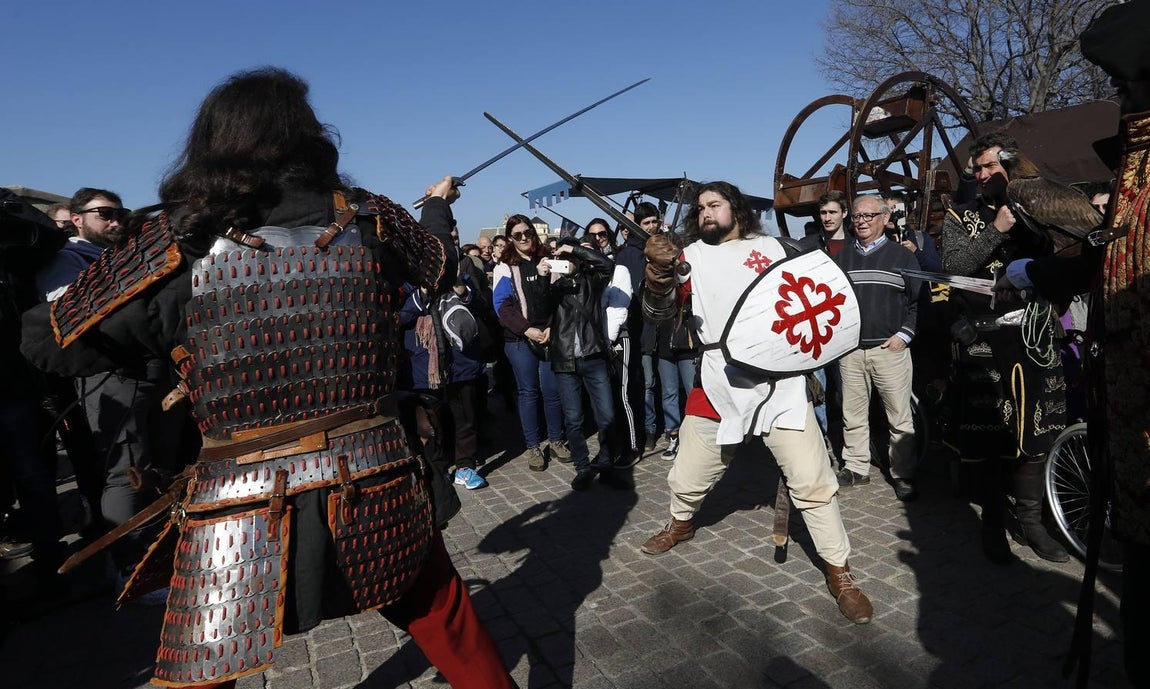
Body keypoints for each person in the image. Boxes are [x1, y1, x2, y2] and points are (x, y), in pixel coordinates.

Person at [20, 68, 516, 689]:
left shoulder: (177, 243)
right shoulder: (371, 222)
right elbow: (439, 265)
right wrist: (439, 204)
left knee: (203, 671)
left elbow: (48, 341)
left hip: (243, 493)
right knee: (445, 617)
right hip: (374, 472)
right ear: (310, 138)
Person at [639, 181, 873, 625]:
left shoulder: (776, 247)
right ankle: (681, 522)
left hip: (780, 383)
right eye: (701, 207)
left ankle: (840, 570)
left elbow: (809, 303)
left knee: (814, 481)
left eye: (716, 204)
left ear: (737, 210)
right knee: (687, 473)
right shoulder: (687, 257)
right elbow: (657, 315)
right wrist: (657, 274)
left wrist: (808, 364)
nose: (707, 212)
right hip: (717, 379)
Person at [999, 6, 1150, 683]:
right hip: (1127, 425)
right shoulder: (1135, 175)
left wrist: (1039, 269)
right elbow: (1112, 255)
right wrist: (1044, 271)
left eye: (1125, 89)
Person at [938, 132, 1070, 564]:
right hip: (983, 338)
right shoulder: (962, 216)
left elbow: (1064, 260)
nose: (982, 175)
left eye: (990, 166)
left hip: (1032, 335)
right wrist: (995, 230)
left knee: (1037, 431)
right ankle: (993, 522)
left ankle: (1032, 522)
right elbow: (953, 269)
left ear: (1010, 166)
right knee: (993, 434)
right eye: (976, 168)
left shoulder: (1036, 205)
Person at [834, 196, 921, 500]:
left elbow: (915, 302)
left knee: (899, 415)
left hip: (890, 349)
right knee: (852, 413)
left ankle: (903, 473)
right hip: (852, 350)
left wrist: (904, 335)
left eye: (869, 215)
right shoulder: (841, 259)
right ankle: (856, 466)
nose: (861, 221)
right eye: (857, 216)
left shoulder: (903, 257)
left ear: (885, 218)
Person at [492, 214, 568, 470]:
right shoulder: (505, 267)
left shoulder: (547, 261)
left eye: (528, 233)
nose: (524, 238)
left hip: (547, 335)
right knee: (528, 392)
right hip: (519, 339)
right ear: (511, 239)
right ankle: (533, 446)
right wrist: (527, 330)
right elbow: (502, 307)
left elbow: (558, 300)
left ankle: (556, 440)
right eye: (517, 235)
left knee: (552, 391)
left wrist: (549, 328)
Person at [545, 237, 622, 490]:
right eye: (563, 260)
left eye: (570, 259)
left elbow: (609, 266)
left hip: (594, 355)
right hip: (565, 359)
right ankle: (582, 467)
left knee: (607, 416)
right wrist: (543, 278)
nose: (567, 263)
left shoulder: (592, 281)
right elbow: (537, 310)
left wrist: (574, 248)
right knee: (574, 419)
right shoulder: (554, 288)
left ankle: (607, 462)